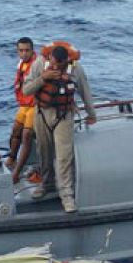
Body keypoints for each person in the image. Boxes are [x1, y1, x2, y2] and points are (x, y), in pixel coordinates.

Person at [23, 42, 96, 213]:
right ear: (49, 58)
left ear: (66, 62)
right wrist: (43, 78)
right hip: (42, 114)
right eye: (53, 63)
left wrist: (91, 114)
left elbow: (85, 91)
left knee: (64, 157)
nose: (55, 67)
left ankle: (67, 195)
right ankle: (46, 184)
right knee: (44, 151)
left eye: (59, 65)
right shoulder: (39, 64)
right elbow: (26, 90)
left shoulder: (76, 69)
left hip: (64, 115)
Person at [5, 37, 38, 184]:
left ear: (32, 50)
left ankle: (17, 172)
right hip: (24, 104)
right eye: (21, 50)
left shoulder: (37, 65)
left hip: (35, 105)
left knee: (26, 135)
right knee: (16, 130)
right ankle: (11, 159)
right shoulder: (22, 64)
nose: (24, 53)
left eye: (27, 50)